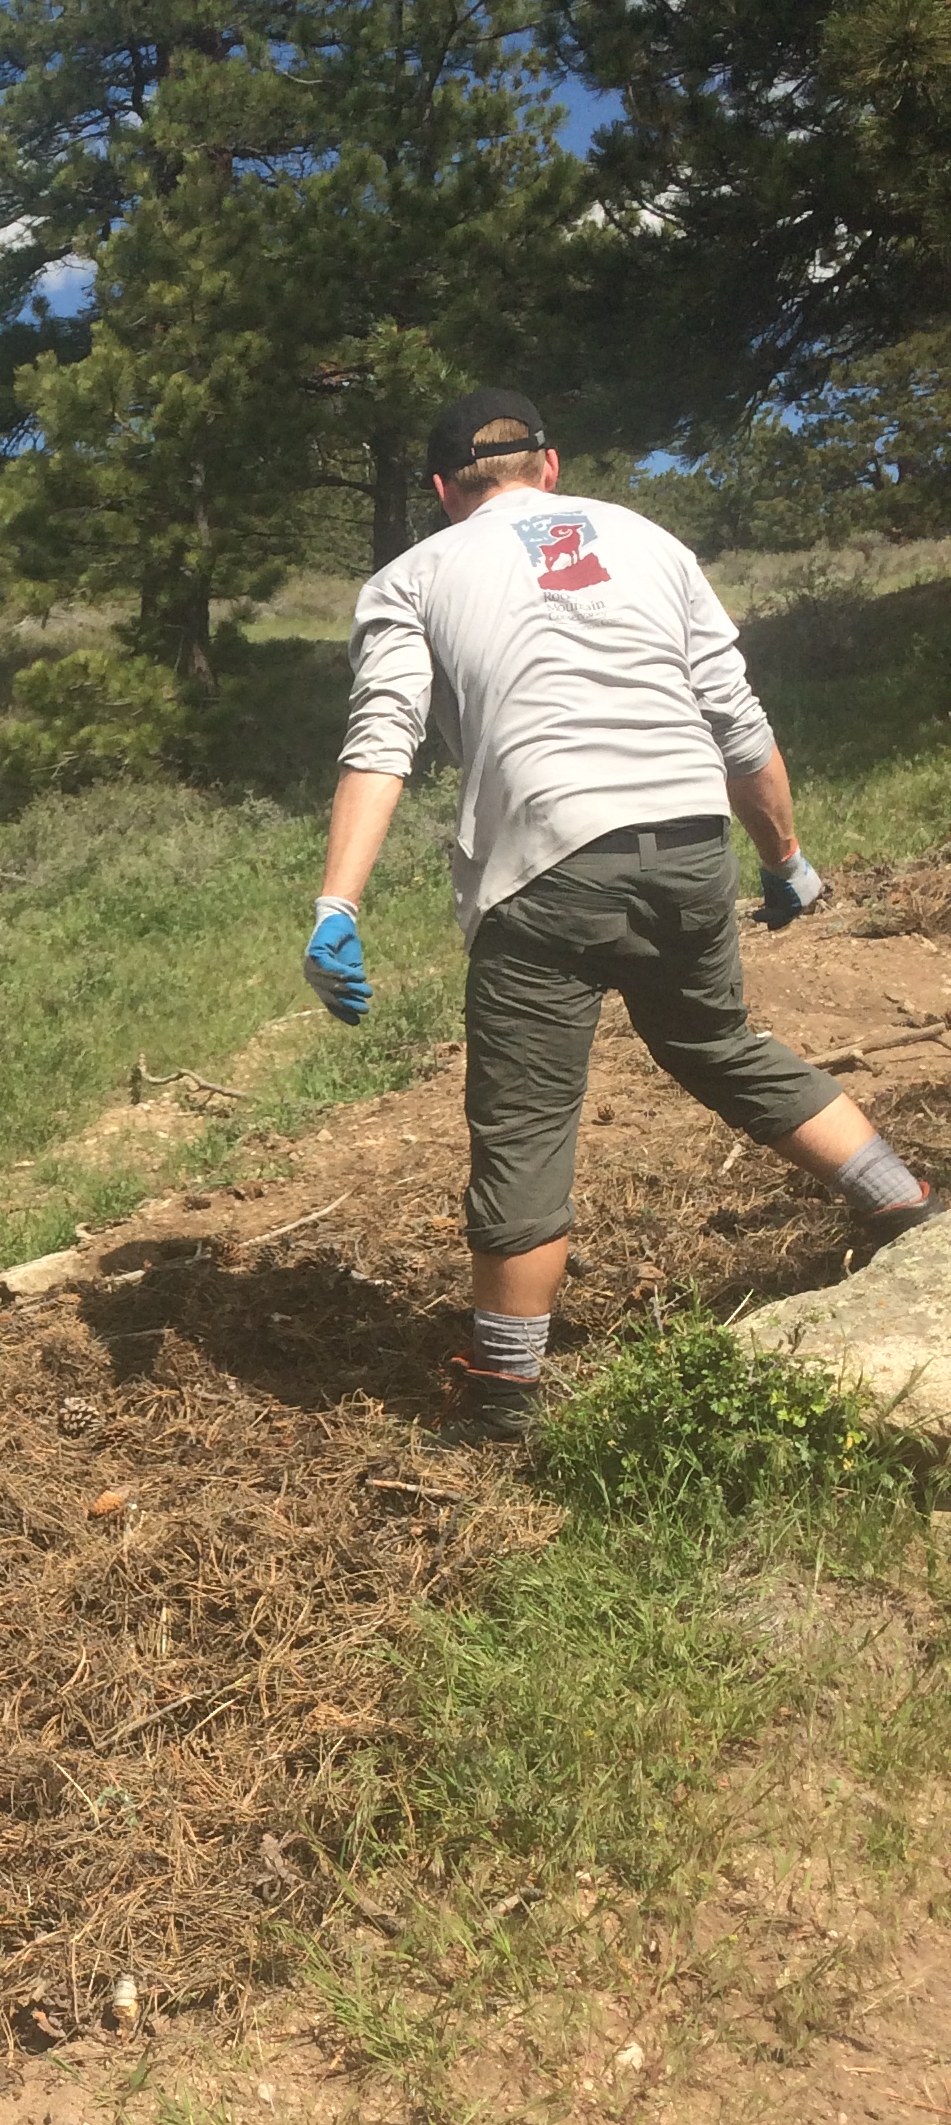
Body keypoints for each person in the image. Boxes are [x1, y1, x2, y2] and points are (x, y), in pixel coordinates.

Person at [306, 386, 938, 1442]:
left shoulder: (412, 577)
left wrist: (338, 903)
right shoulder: (650, 540)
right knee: (713, 1038)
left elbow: (382, 741)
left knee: (524, 1120)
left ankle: (503, 1395)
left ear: (441, 491)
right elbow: (736, 719)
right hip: (691, 843)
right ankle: (901, 1202)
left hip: (547, 868)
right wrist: (786, 859)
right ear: (549, 467)